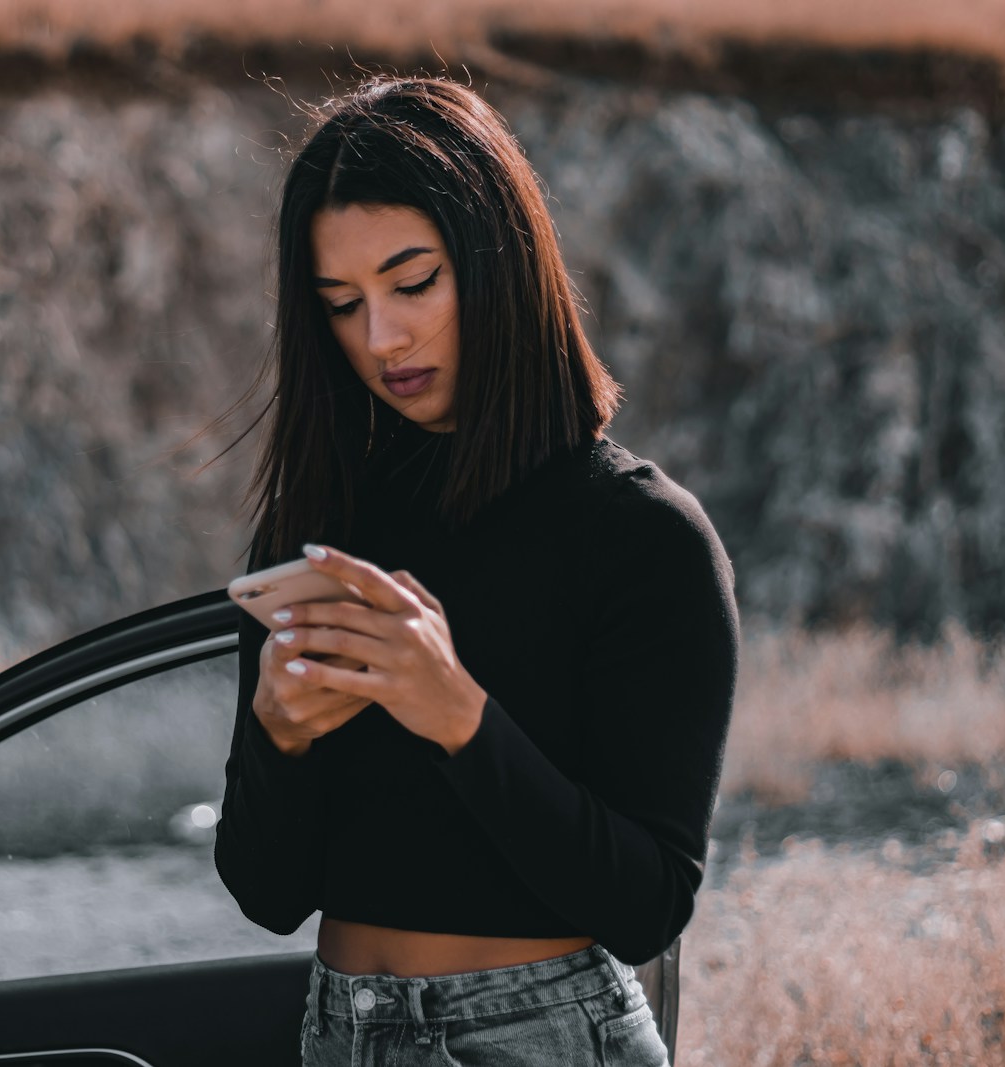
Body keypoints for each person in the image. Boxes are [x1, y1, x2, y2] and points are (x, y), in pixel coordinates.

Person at [213, 75, 738, 1066]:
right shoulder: (322, 528)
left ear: (500, 260)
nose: (382, 337)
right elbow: (268, 895)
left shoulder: (641, 533)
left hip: (540, 1037)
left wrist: (456, 714)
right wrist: (275, 738)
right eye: (341, 303)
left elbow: (647, 906)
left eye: (412, 284)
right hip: (340, 1030)